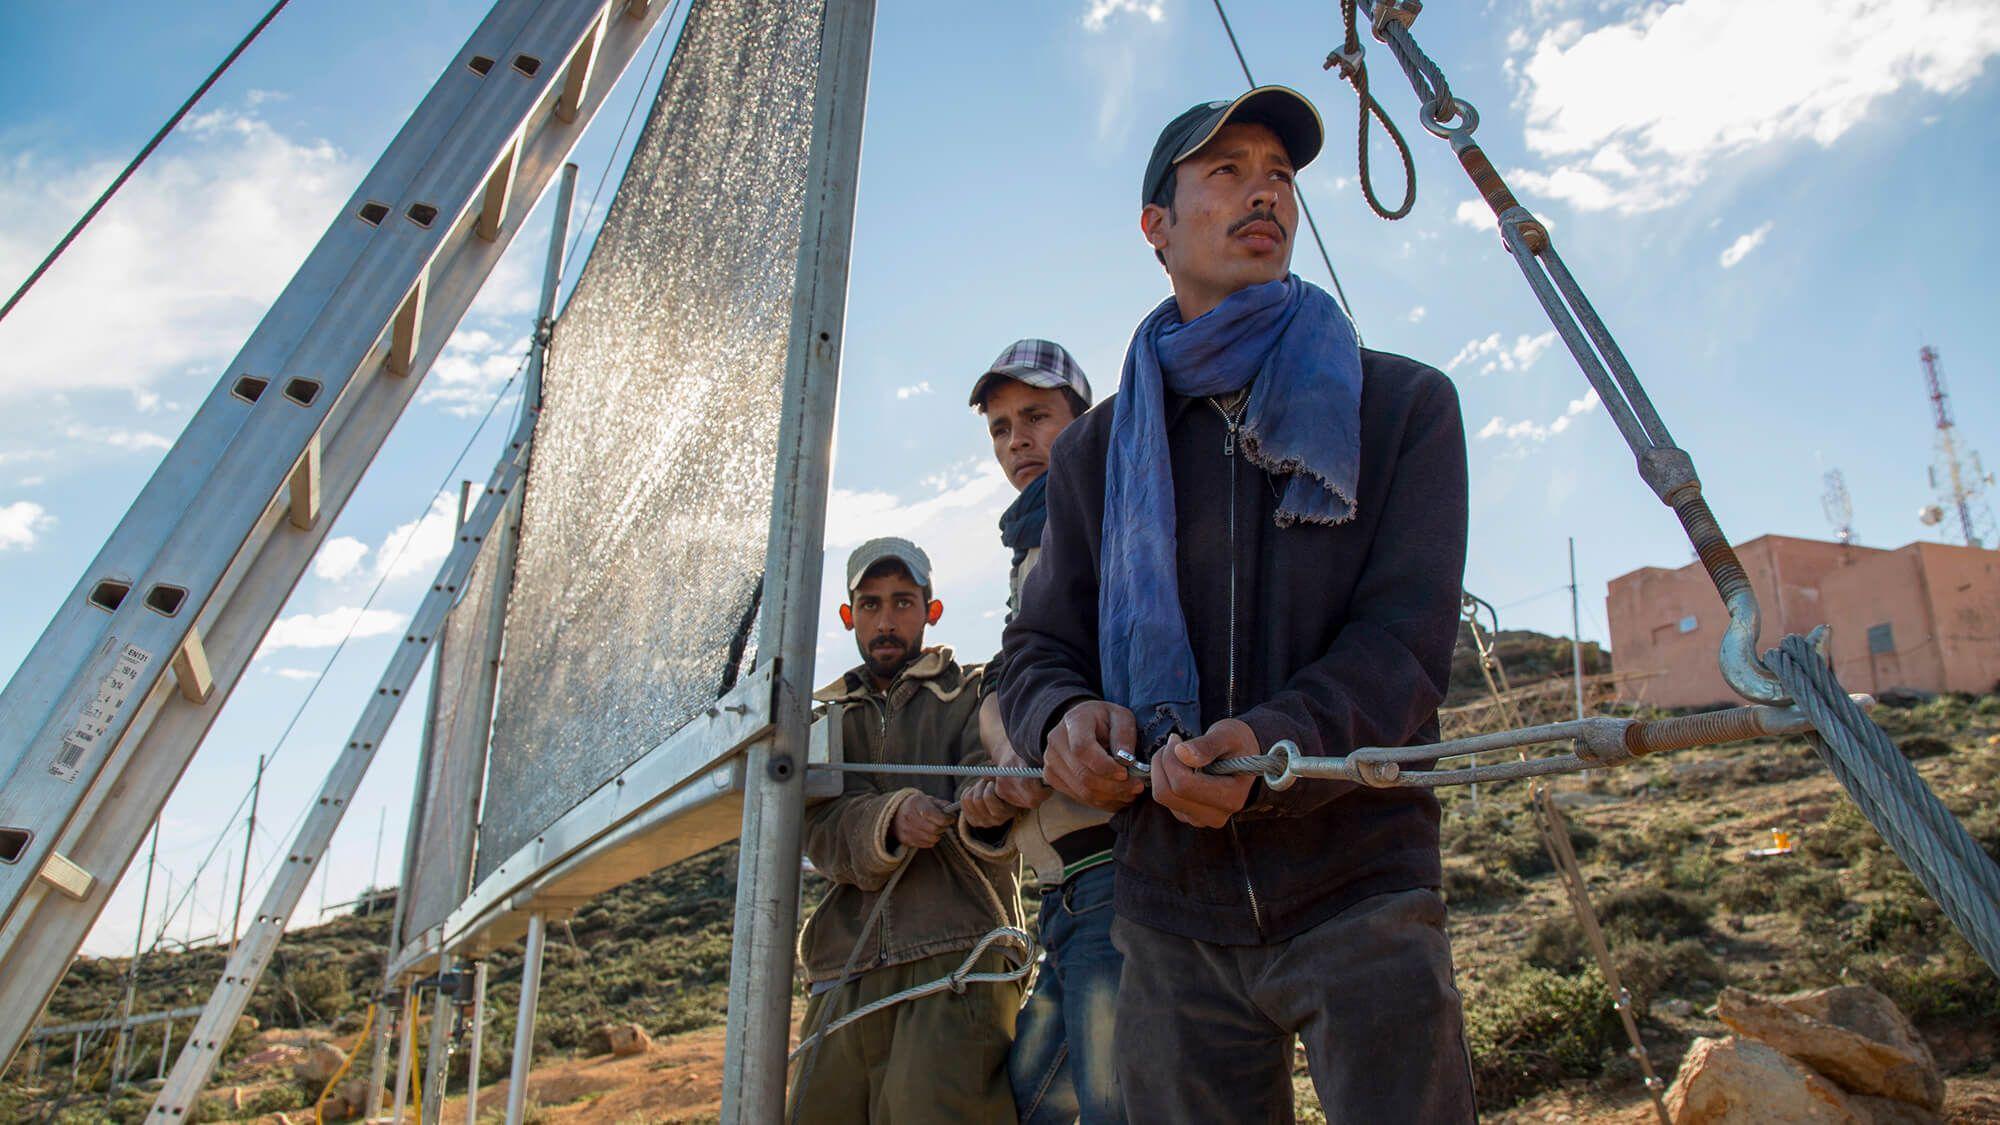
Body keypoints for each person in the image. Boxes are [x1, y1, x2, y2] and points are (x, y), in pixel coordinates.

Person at [997, 86, 1476, 1122]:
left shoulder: (1399, 406)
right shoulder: (1092, 454)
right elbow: (1036, 647)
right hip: (1168, 912)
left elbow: (1402, 647)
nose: (1264, 191)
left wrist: (1266, 745)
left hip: (1361, 881)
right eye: (1226, 170)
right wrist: (1061, 723)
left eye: (1280, 175)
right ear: (1155, 228)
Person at [791, 537, 1023, 1123]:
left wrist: (984, 809)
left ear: (932, 610)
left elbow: (989, 790)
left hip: (956, 960)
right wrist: (890, 817)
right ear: (848, 617)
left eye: (902, 603)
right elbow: (817, 832)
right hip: (842, 969)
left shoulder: (975, 693)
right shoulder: (825, 721)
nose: (886, 621)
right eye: (870, 605)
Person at [956, 341, 1126, 1123]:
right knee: (1034, 1101)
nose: (1016, 440)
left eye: (1035, 417)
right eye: (999, 427)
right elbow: (1012, 694)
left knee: (1113, 1103)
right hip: (1063, 885)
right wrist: (1004, 762)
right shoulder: (1030, 543)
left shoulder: (1104, 521)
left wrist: (1021, 733)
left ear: (1082, 421)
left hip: (1114, 868)